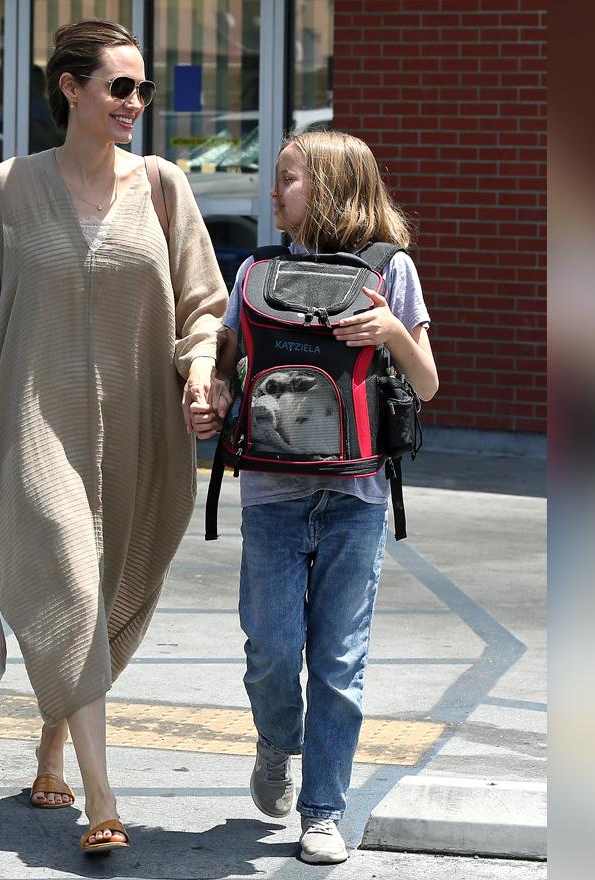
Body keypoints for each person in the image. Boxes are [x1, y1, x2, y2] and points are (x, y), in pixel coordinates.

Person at [0, 19, 227, 856]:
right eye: (121, 88)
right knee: (68, 579)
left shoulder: (165, 186)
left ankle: (53, 746)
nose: (136, 103)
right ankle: (103, 796)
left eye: (144, 90)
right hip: (37, 424)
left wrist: (203, 368)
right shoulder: (9, 185)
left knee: (104, 599)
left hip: (139, 424)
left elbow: (201, 304)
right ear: (71, 88)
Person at [213, 131, 440, 864]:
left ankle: (323, 810)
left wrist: (392, 332)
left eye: (288, 179)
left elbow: (428, 382)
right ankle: (278, 740)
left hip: (357, 496)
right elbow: (224, 371)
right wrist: (206, 399)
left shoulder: (390, 270)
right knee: (272, 652)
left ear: (334, 188)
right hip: (273, 494)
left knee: (339, 661)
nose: (274, 193)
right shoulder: (255, 269)